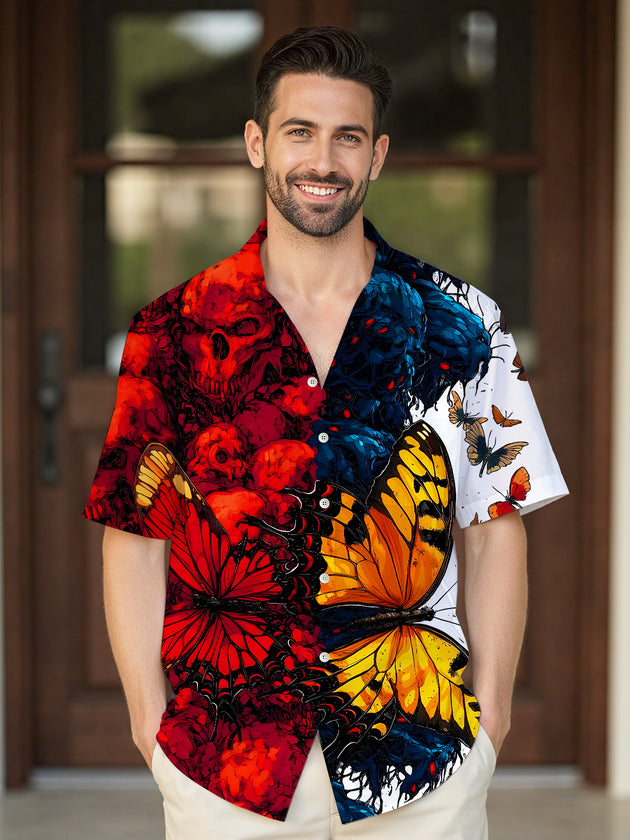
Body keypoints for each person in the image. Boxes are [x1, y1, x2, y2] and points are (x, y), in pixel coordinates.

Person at [84, 25, 568, 840]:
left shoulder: (463, 323)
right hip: (223, 765)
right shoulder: (172, 332)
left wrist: (493, 725)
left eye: (347, 137)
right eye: (299, 132)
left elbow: (495, 526)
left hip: (420, 755)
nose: (323, 161)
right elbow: (134, 536)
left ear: (376, 156)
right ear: (255, 144)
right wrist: (147, 723)